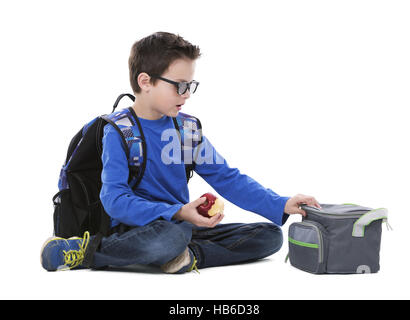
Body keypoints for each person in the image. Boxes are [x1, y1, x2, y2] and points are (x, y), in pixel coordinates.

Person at [41, 31, 321, 273]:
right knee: (167, 238)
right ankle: (88, 251)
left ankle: (185, 257)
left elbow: (227, 178)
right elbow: (114, 200)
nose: (187, 94)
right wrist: (177, 212)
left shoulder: (186, 131)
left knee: (269, 236)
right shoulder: (119, 131)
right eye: (180, 86)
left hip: (183, 224)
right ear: (145, 81)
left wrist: (281, 203)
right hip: (135, 229)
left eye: (191, 86)